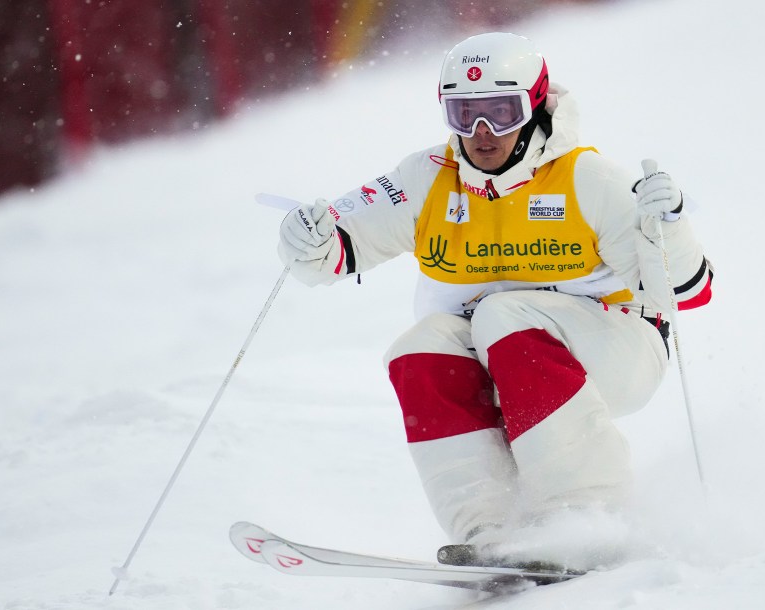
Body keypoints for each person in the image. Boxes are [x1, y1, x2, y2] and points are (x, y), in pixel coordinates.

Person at [276, 32, 713, 571]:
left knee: (502, 312)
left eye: (501, 113)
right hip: (501, 361)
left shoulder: (587, 177)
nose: (482, 134)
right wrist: (307, 242)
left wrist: (670, 225)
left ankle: (588, 511)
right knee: (421, 346)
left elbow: (687, 291)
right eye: (464, 115)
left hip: (619, 349)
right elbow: (336, 248)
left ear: (533, 106)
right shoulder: (429, 178)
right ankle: (492, 529)